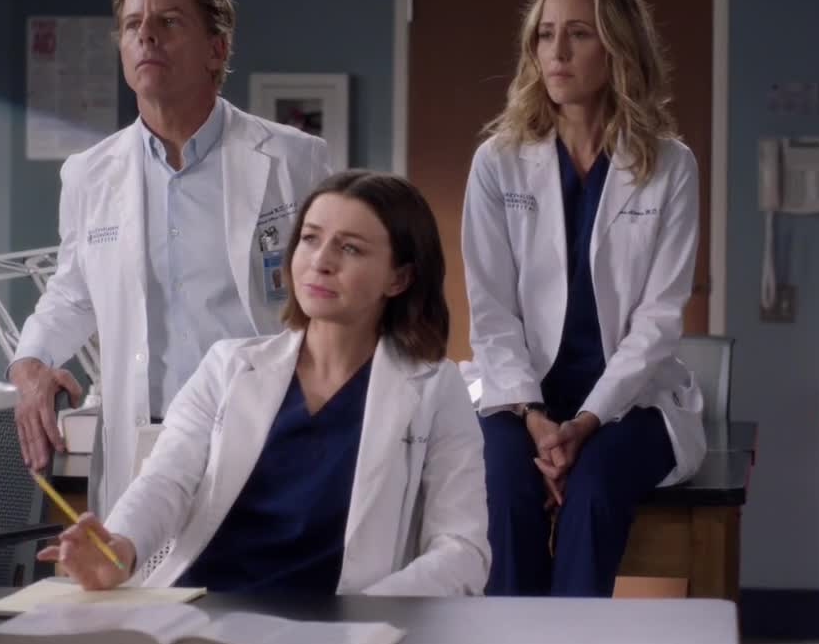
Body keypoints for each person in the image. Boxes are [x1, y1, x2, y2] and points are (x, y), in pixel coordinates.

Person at [39, 172, 490, 597]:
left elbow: (462, 551)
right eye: (310, 239)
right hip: (202, 611)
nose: (321, 261)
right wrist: (119, 547)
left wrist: (368, 616)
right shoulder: (228, 367)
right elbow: (166, 481)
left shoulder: (435, 388)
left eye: (350, 248)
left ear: (399, 277)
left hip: (341, 625)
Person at [9, 0, 332, 516]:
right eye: (133, 24)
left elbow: (335, 297)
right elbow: (73, 293)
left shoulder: (293, 161)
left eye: (169, 21)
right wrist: (30, 362)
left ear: (217, 49)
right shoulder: (89, 175)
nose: (146, 36)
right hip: (146, 442)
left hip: (262, 432)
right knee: (141, 574)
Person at [460, 0, 705, 597]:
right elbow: (491, 310)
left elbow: (659, 318)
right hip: (519, 397)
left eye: (579, 33)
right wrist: (536, 418)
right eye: (545, 34)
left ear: (618, 47)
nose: (557, 52)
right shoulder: (498, 161)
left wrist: (588, 421)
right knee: (504, 492)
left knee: (593, 492)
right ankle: (508, 641)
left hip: (629, 399)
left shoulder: (670, 166)